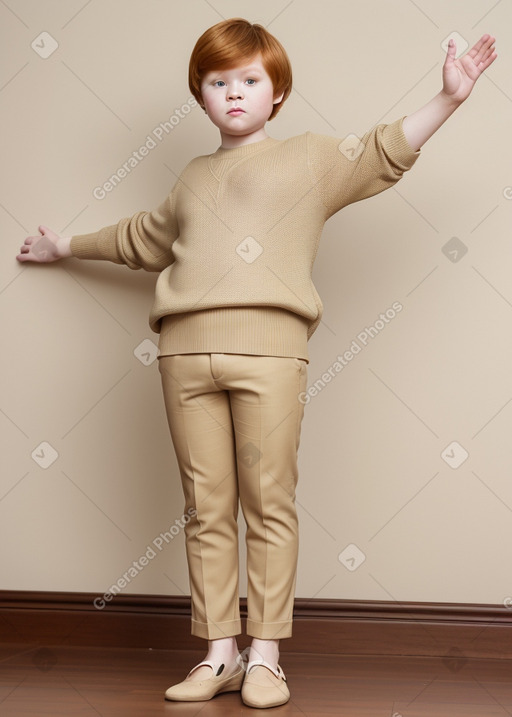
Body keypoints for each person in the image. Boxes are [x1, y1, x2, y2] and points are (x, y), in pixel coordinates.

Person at [16, 17, 496, 709]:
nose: (233, 93)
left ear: (276, 94)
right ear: (201, 95)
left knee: (268, 503)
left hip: (272, 353)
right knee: (204, 508)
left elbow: (384, 150)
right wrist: (68, 246)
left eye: (249, 80)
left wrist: (448, 98)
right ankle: (219, 654)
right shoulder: (190, 176)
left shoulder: (308, 159)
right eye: (218, 82)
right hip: (182, 356)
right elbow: (142, 238)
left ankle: (266, 656)